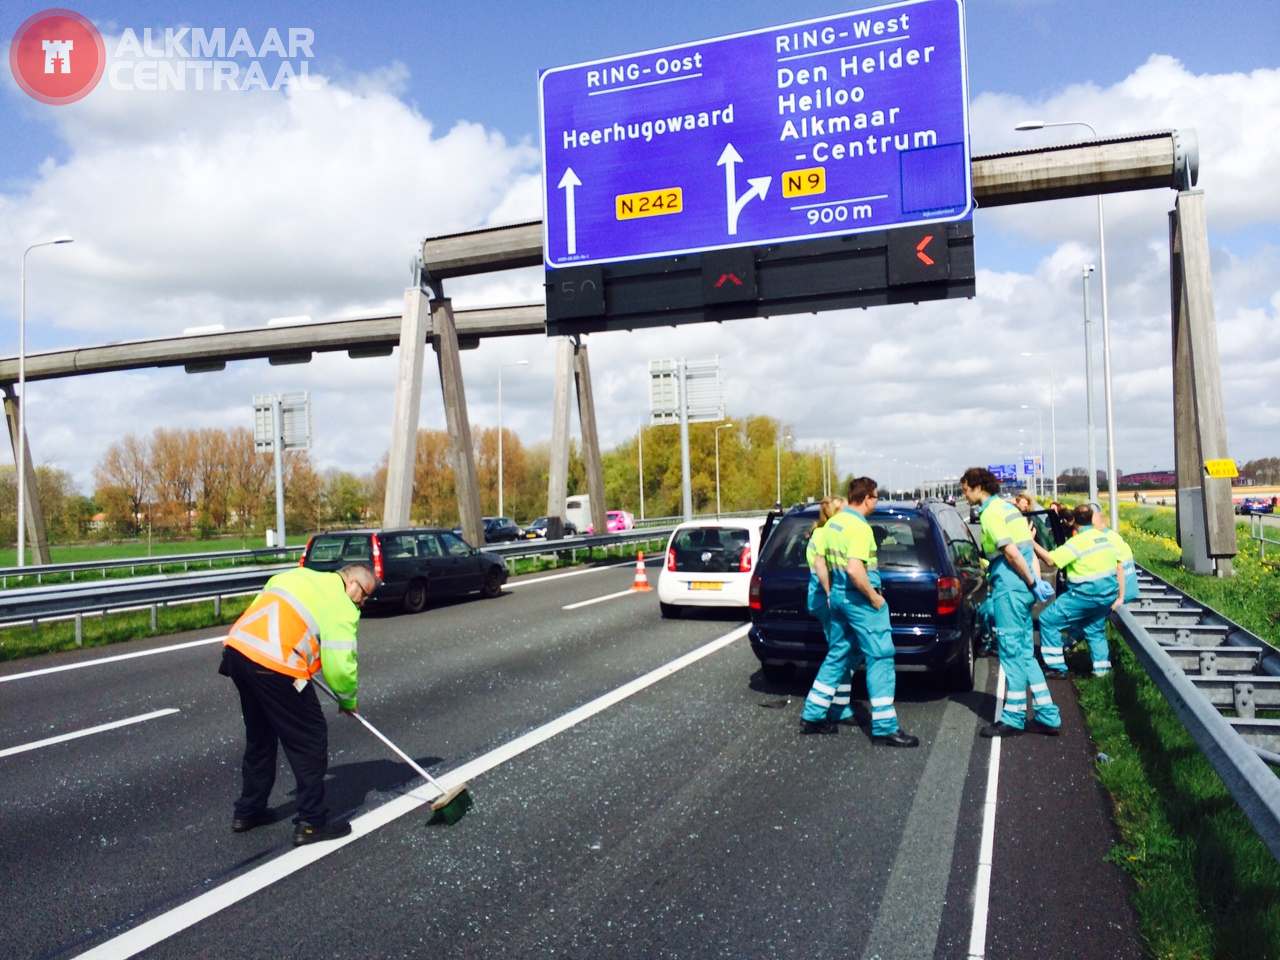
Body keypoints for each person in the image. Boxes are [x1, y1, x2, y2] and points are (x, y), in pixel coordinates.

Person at [220, 562, 378, 845]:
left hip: (238, 653)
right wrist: (347, 699)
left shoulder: (295, 575)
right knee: (309, 740)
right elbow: (340, 665)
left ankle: (248, 811)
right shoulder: (342, 603)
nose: (363, 603)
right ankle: (311, 822)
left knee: (261, 737)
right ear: (353, 583)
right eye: (365, 595)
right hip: (276, 667)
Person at [802, 477, 918, 746]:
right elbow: (856, 569)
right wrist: (874, 598)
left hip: (839, 598)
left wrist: (832, 593)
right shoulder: (859, 527)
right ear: (867, 498)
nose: (876, 501)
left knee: (839, 654)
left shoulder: (833, 523)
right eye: (876, 497)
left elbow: (819, 561)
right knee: (881, 655)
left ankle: (813, 715)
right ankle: (885, 728)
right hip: (860, 600)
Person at [960, 467, 1061, 738]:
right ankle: (1047, 714)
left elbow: (1012, 553)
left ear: (977, 487)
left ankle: (1014, 716)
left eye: (965, 489)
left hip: (1011, 586)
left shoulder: (991, 514)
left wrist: (1029, 581)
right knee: (1026, 653)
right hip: (1023, 588)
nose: (964, 494)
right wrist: (1035, 583)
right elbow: (1027, 546)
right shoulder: (1010, 510)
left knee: (1011, 653)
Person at [1031, 504, 1125, 677]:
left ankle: (1056, 667)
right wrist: (1120, 596)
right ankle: (1102, 673)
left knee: (1048, 620)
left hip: (1084, 595)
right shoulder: (1105, 538)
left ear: (1074, 522)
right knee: (1094, 629)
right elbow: (1119, 565)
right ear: (1091, 518)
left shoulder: (1076, 543)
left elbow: (1051, 560)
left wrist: (1031, 543)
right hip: (1107, 595)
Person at [801, 496, 858, 727]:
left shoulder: (819, 533)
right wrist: (830, 593)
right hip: (827, 598)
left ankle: (840, 707)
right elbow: (821, 566)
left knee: (843, 650)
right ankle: (824, 709)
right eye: (844, 509)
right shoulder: (829, 534)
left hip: (819, 598)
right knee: (840, 651)